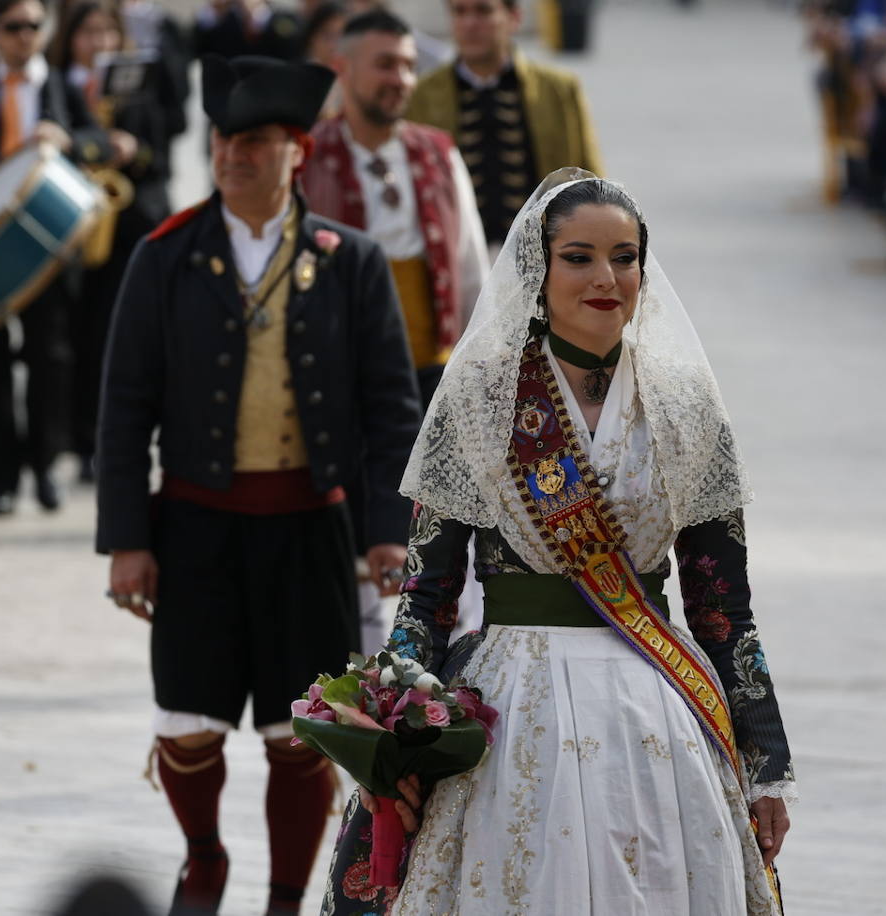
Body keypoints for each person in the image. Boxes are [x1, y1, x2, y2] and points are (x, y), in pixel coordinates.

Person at [319, 171, 795, 915]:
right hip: (515, 707)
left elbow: (724, 606)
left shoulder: (686, 403)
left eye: (625, 256)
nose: (606, 278)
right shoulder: (478, 396)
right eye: (579, 256)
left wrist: (766, 764)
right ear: (539, 269)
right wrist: (398, 733)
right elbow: (428, 592)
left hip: (658, 709)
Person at [95, 54, 422, 915]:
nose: (234, 155)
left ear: (296, 152)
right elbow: (124, 407)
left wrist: (388, 528)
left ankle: (284, 896)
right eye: (223, 141)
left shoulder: (349, 260)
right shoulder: (164, 257)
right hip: (194, 529)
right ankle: (203, 858)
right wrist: (128, 540)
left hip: (312, 533)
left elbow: (392, 406)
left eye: (255, 142)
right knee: (191, 726)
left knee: (301, 735)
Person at [302, 8, 489, 654]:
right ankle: (352, 673)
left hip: (431, 377)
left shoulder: (437, 152)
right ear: (342, 69)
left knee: (433, 525)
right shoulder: (304, 155)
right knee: (350, 530)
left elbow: (469, 270)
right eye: (385, 64)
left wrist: (481, 371)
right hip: (337, 381)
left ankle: (427, 665)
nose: (401, 79)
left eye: (408, 65)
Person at [0, 0, 108, 516]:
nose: (25, 36)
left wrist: (71, 140)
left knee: (50, 359)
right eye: (14, 28)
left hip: (46, 247)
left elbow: (96, 138)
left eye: (34, 26)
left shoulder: (58, 85)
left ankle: (46, 466)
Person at [49, 0, 185, 483]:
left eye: (107, 32)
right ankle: (73, 436)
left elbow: (163, 157)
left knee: (118, 337)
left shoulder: (138, 84)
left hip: (127, 227)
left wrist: (136, 150)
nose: (99, 42)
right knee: (70, 338)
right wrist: (98, 145)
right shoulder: (55, 85)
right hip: (68, 227)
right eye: (88, 33)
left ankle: (109, 439)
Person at [404, 0, 603, 249]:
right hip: (457, 254)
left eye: (483, 11)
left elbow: (591, 177)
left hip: (544, 253)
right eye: (459, 12)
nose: (470, 24)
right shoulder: (420, 95)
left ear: (514, 18)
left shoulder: (558, 89)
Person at [192, 0, 303, 62]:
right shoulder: (222, 20)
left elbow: (294, 50)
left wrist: (255, 16)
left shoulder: (283, 18)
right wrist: (215, 10)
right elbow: (196, 48)